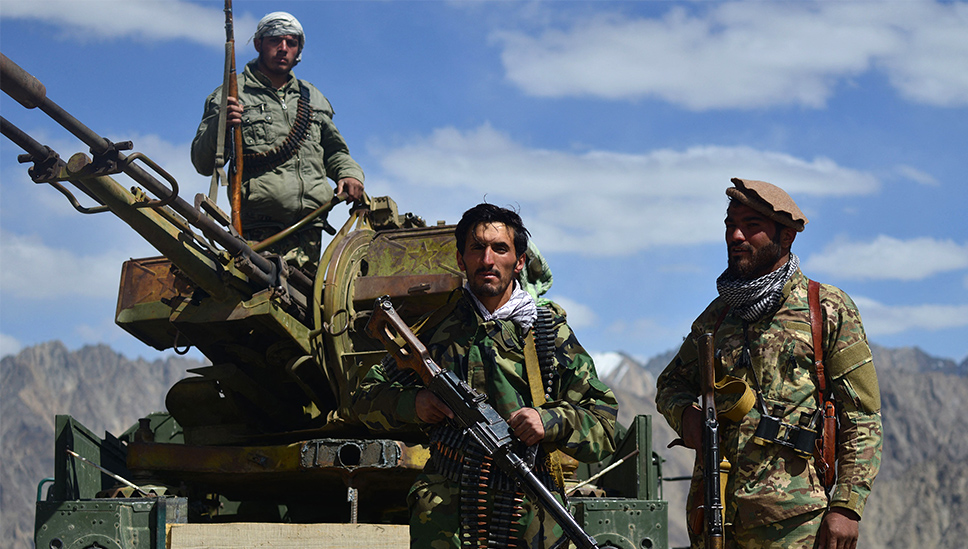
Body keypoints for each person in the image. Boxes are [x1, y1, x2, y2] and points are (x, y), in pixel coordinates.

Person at [353, 203, 618, 548]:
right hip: (445, 518)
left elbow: (604, 424)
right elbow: (363, 399)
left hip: (527, 512)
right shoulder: (433, 332)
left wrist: (548, 420)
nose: (488, 259)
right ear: (462, 260)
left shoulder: (547, 334)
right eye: (477, 248)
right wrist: (415, 403)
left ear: (519, 261)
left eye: (500, 248)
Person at [656, 178, 883, 549]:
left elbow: (861, 415)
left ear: (787, 237)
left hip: (795, 524)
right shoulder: (715, 319)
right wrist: (686, 416)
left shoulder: (826, 309)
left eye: (752, 226)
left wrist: (847, 506)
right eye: (730, 225)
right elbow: (670, 385)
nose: (736, 236)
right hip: (717, 520)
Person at [191, 11, 364, 272]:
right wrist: (221, 125)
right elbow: (202, 163)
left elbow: (334, 151)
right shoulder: (231, 95)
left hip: (310, 228)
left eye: (291, 43)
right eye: (275, 41)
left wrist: (350, 173)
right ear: (259, 44)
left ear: (298, 50)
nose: (284, 49)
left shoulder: (311, 97)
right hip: (257, 232)